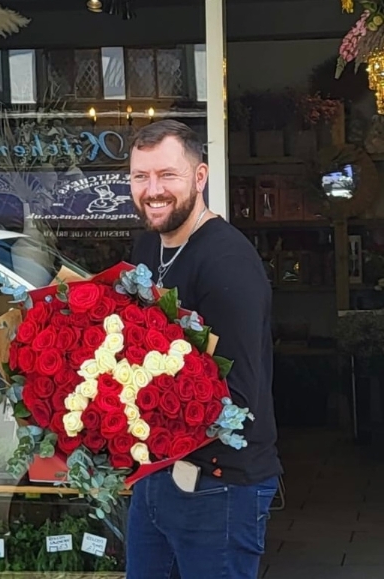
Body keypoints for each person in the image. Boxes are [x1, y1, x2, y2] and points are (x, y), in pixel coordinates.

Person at [127, 119, 282, 579]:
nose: (153, 190)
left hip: (220, 486)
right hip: (157, 473)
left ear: (200, 177)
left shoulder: (226, 263)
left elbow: (236, 399)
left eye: (168, 175)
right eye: (141, 177)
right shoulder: (147, 245)